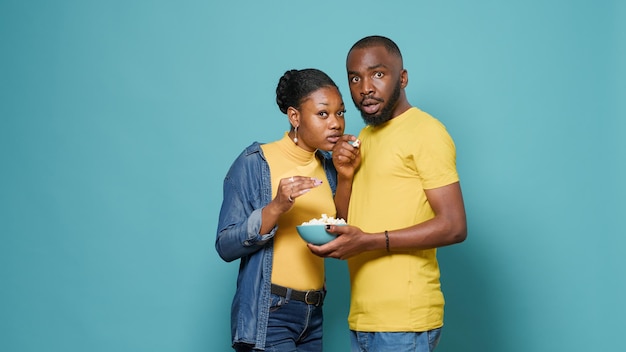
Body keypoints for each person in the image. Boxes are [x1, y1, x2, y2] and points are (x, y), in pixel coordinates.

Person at [308, 35, 468, 352]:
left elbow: (454, 225)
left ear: (402, 77)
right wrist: (346, 177)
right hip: (364, 319)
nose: (365, 87)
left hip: (404, 322)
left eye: (378, 74)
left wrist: (369, 241)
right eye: (355, 78)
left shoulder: (426, 131)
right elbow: (344, 222)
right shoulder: (362, 138)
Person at [216, 68, 349, 351]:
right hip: (271, 313)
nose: (336, 123)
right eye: (323, 114)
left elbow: (342, 229)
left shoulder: (329, 167)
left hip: (313, 314)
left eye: (340, 113)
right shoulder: (255, 163)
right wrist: (276, 207)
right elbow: (225, 245)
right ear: (295, 117)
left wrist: (347, 175)